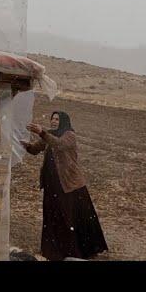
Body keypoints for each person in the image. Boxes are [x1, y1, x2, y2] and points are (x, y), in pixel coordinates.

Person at [22, 111, 108, 261]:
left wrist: (42, 132)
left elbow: (59, 144)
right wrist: (25, 145)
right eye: (52, 119)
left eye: (57, 119)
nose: (54, 121)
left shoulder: (69, 135)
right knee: (54, 216)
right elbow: (36, 149)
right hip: (52, 184)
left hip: (69, 184)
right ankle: (54, 249)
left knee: (69, 216)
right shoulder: (49, 134)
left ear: (64, 121)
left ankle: (75, 250)